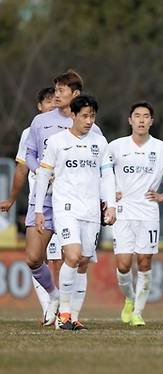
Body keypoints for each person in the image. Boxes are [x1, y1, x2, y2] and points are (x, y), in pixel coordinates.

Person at [23, 70, 102, 327]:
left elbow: (101, 165)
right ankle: (55, 296)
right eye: (55, 90)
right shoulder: (40, 122)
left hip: (78, 202)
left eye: (61, 90)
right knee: (34, 258)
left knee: (77, 259)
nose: (56, 94)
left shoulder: (92, 129)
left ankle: (70, 315)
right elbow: (30, 156)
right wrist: (44, 172)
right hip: (45, 199)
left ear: (75, 95)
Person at [34, 95, 116, 331]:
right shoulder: (57, 142)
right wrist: (39, 209)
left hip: (91, 211)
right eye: (84, 116)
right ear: (73, 115)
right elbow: (43, 176)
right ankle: (64, 313)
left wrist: (110, 204)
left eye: (92, 116)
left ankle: (73, 317)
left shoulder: (100, 143)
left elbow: (107, 175)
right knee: (72, 255)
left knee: (82, 262)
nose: (89, 121)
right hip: (65, 208)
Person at [108, 101, 163, 326]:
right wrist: (109, 193)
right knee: (124, 265)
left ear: (152, 121)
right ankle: (129, 299)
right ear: (130, 120)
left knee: (144, 262)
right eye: (137, 116)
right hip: (123, 212)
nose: (142, 120)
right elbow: (100, 172)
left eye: (146, 116)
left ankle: (138, 313)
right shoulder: (116, 146)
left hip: (148, 212)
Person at [0, 87, 58, 320]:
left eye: (56, 101)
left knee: (61, 257)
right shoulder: (31, 131)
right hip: (39, 203)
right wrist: (13, 198)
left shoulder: (70, 131)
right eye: (48, 102)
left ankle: (63, 310)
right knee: (37, 257)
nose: (53, 106)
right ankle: (48, 306)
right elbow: (22, 167)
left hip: (64, 201)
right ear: (39, 106)